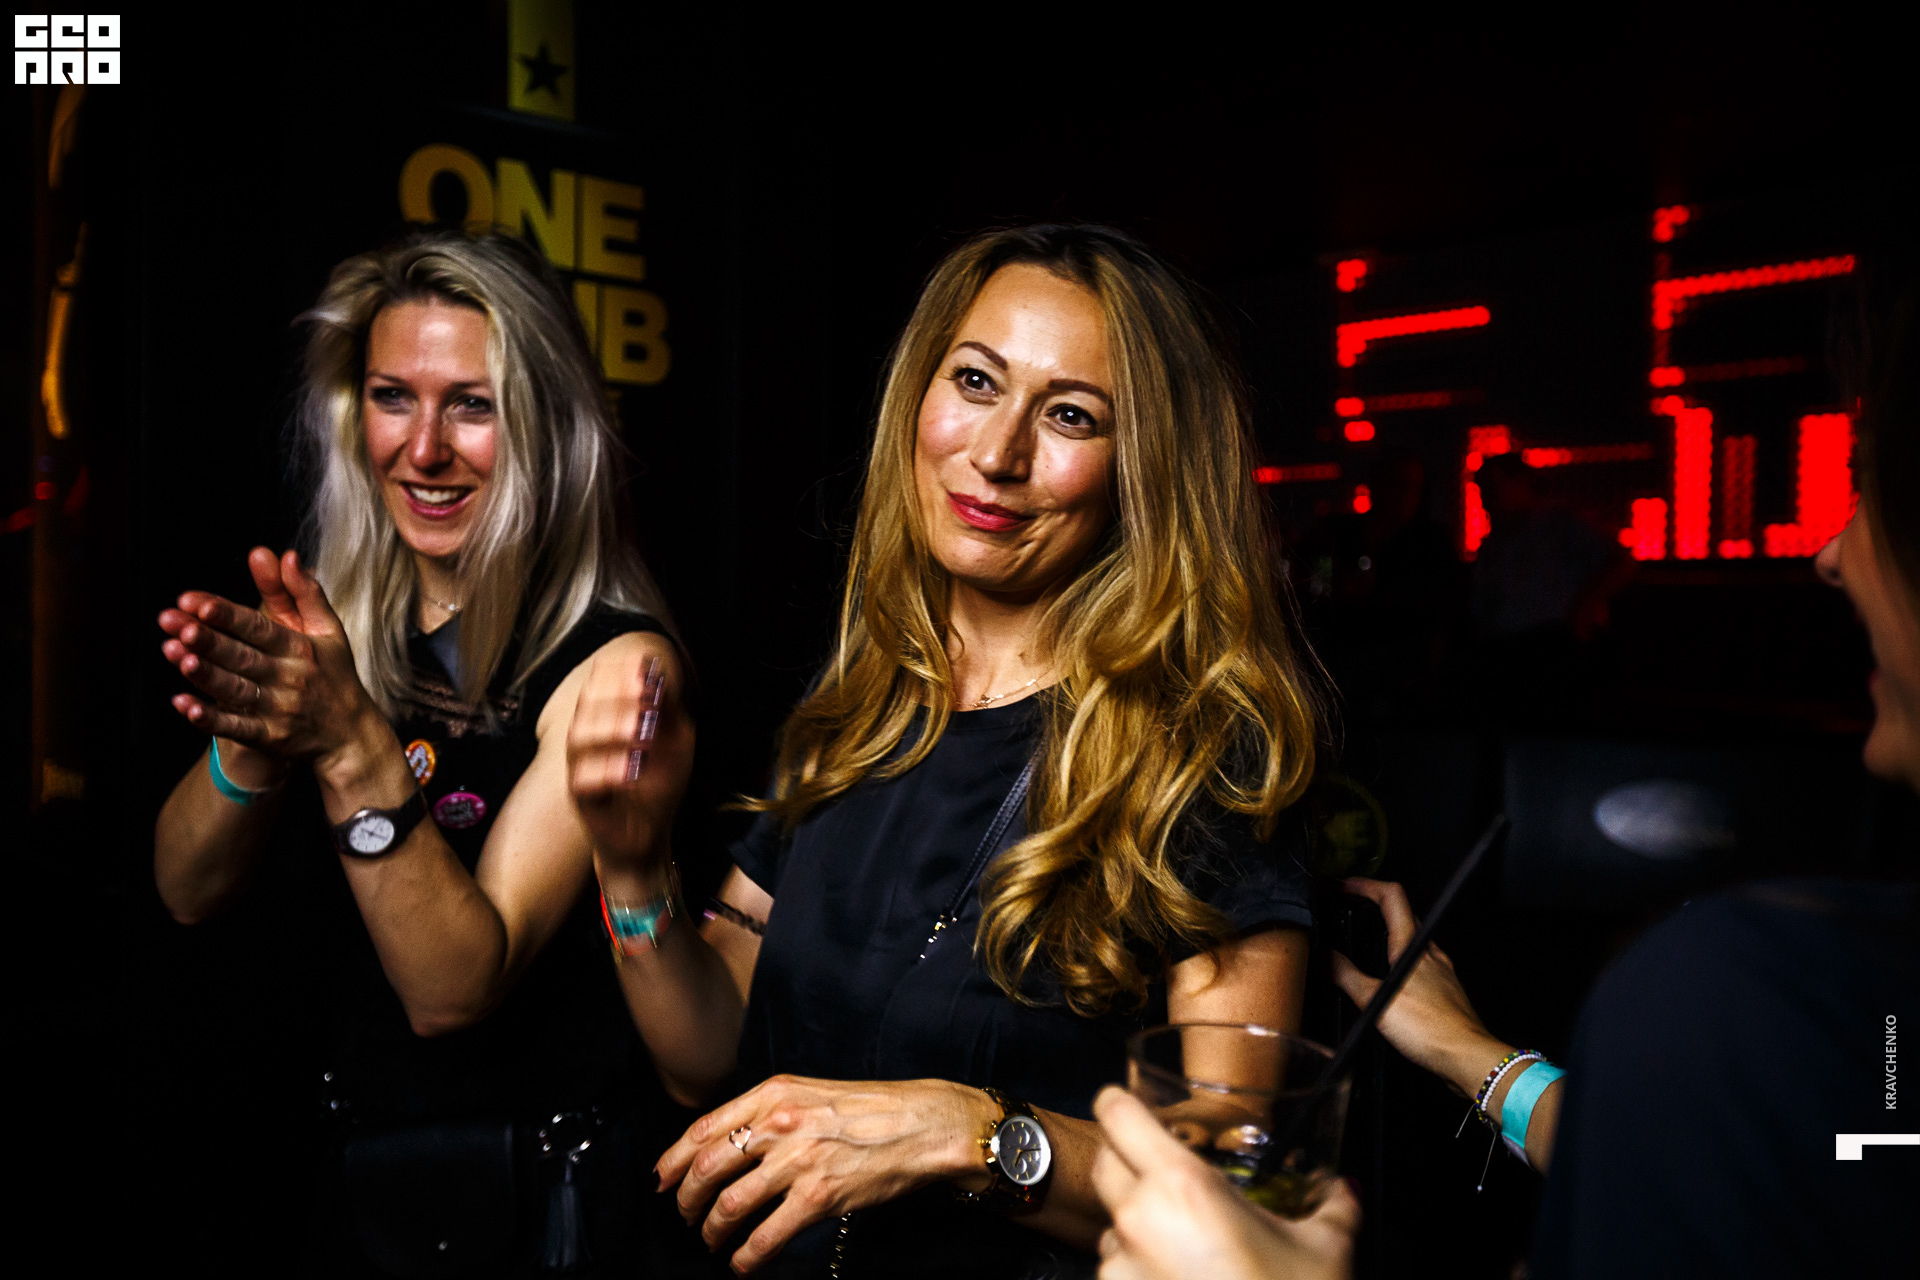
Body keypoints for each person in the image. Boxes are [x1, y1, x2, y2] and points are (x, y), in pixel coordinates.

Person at [567, 224, 1323, 1277]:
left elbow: (1233, 1198)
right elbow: (706, 1056)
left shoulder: (1201, 763)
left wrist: (968, 1131)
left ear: (1144, 468)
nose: (998, 453)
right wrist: (632, 864)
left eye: (1069, 415)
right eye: (975, 381)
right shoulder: (864, 702)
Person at [1334, 253, 1920, 1276]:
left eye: (1866, 487)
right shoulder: (1867, 1050)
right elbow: (1816, 1171)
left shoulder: (1759, 995)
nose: (1829, 553)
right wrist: (1470, 1052)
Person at [152, 233, 697, 1276]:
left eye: (472, 406)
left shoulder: (616, 663)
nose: (425, 448)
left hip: (537, 1214)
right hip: (358, 1192)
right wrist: (258, 743)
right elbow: (183, 885)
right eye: (393, 397)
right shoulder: (339, 620)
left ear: (544, 426)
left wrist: (346, 739)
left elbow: (452, 987)